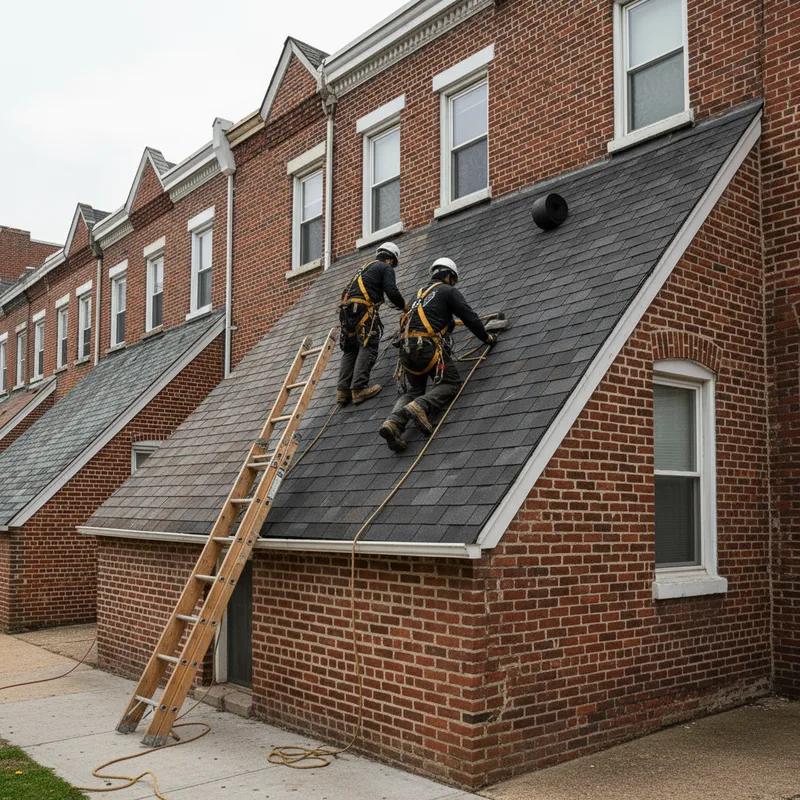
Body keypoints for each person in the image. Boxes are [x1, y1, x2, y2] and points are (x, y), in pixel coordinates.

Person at [379, 257, 496, 452]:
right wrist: (487, 338)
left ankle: (393, 423)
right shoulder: (448, 291)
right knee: (451, 383)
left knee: (414, 390)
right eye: (454, 279)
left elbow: (438, 321)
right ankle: (420, 406)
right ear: (449, 276)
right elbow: (469, 317)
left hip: (406, 351)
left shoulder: (417, 297)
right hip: (425, 348)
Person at [337, 242, 406, 405]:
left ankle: (342, 392)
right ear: (390, 259)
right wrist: (404, 307)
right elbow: (392, 291)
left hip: (347, 313)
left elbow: (345, 293)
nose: (392, 267)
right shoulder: (385, 268)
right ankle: (359, 389)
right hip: (362, 311)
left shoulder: (364, 269)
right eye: (393, 264)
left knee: (351, 348)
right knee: (369, 344)